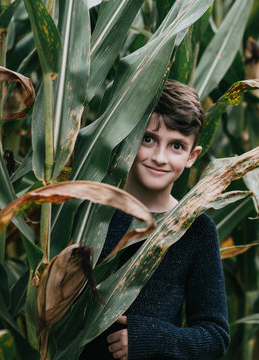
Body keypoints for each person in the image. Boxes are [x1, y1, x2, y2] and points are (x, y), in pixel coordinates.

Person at [80, 80, 230, 359]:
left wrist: (147, 338)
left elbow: (215, 335)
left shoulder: (196, 230)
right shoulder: (90, 209)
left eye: (176, 146)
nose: (160, 157)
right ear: (130, 137)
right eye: (148, 139)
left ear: (191, 156)